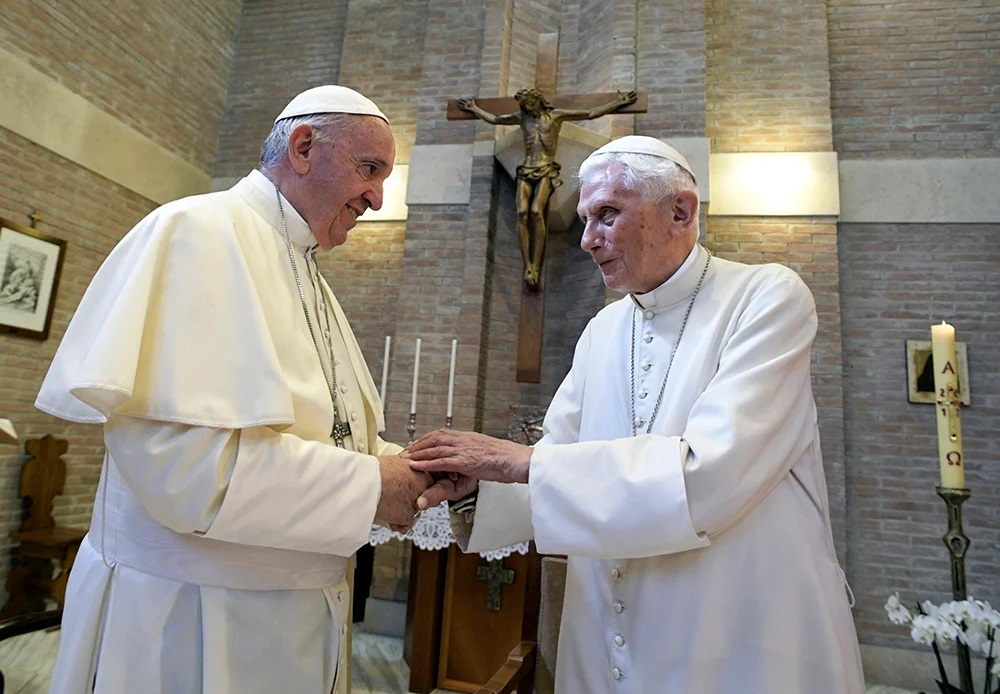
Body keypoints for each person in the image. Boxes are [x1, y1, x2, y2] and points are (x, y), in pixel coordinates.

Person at [405, 135, 866, 693]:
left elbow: (709, 477)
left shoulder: (765, 299)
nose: (587, 240)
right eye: (583, 219)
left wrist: (516, 461)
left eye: (607, 214)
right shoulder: (602, 329)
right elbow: (555, 463)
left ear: (680, 211)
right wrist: (477, 485)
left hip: (733, 636)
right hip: (603, 637)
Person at [35, 85, 431, 694]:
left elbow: (333, 437)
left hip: (292, 620)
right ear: (303, 147)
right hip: (188, 623)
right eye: (369, 169)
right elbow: (188, 472)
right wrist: (377, 484)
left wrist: (413, 467)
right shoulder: (198, 233)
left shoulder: (311, 277)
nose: (377, 197)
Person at [457, 87, 637, 290]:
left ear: (538, 101)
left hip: (545, 170)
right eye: (524, 106)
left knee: (536, 212)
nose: (527, 108)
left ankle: (535, 263)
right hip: (525, 170)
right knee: (523, 213)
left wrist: (617, 103)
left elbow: (589, 113)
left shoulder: (555, 117)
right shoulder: (522, 118)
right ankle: (530, 266)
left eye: (529, 104)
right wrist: (474, 109)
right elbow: (496, 120)